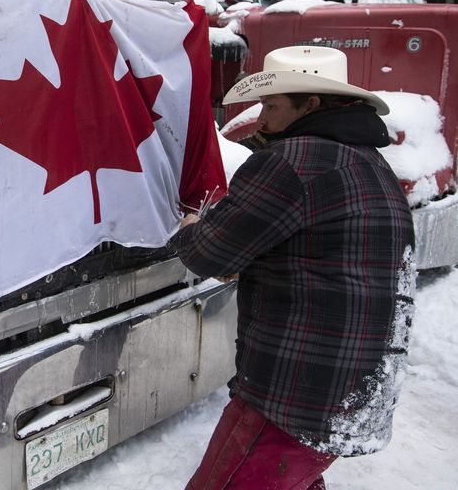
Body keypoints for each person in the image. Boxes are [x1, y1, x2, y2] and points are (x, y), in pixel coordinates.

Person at [173, 46, 416, 490]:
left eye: (271, 106)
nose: (261, 121)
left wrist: (190, 224)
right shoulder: (371, 163)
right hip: (352, 388)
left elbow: (210, 254)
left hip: (295, 393)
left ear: (312, 105)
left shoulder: (293, 159)